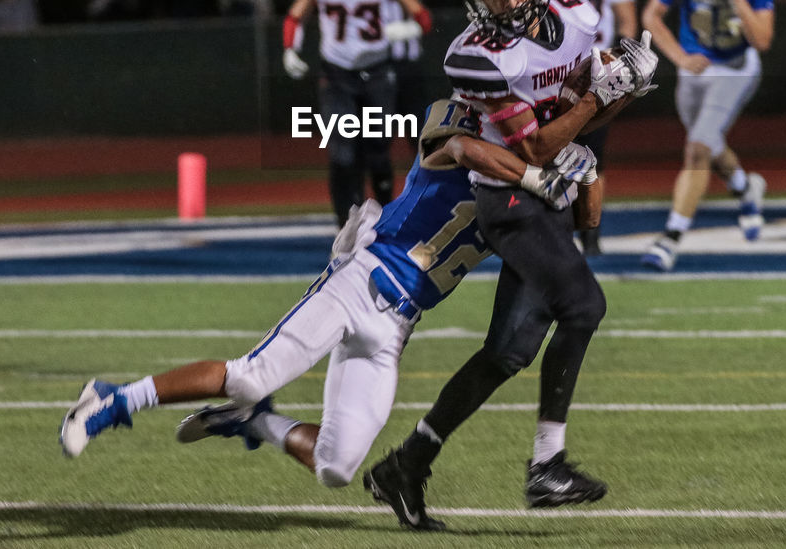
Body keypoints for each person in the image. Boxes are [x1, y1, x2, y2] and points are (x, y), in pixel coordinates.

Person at [59, 99, 598, 507]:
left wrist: (586, 171)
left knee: (337, 467)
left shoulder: (528, 187)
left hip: (397, 325)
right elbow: (456, 146)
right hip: (361, 280)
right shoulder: (468, 124)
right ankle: (112, 400)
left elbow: (580, 232)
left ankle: (255, 423)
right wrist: (531, 171)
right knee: (249, 374)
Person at [363, 0, 658, 529]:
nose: (511, 2)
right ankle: (547, 466)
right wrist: (596, 100)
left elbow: (592, 101)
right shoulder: (477, 56)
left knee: (507, 352)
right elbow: (536, 149)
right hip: (511, 201)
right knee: (585, 306)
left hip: (551, 194)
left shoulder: (574, 14)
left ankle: (406, 465)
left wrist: (631, 84)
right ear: (474, 0)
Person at [640, 0, 785, 271]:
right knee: (709, 143)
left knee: (698, 148)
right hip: (696, 69)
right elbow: (651, 17)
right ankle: (745, 189)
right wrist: (679, 57)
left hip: (737, 67)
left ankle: (670, 238)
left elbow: (762, 40)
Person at [282, 0, 434, 226]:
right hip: (336, 73)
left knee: (379, 151)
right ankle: (344, 224)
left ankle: (382, 218)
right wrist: (289, 49)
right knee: (343, 152)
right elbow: (295, 17)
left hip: (378, 71)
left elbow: (421, 15)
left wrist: (409, 28)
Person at [542, 0, 639, 254]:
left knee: (592, 156)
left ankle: (591, 231)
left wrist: (622, 61)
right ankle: (560, 227)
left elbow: (627, 19)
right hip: (550, 73)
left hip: (596, 71)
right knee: (550, 150)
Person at [374, 0, 428, 145]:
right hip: (380, 63)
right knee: (378, 132)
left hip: (410, 62)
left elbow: (422, 20)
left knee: (418, 129)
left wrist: (408, 29)